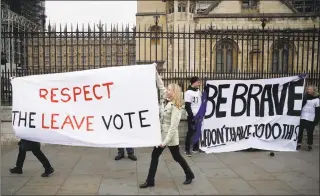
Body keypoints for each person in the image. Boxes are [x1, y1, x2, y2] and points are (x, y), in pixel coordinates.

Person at [139, 69, 195, 188]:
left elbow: (173, 127)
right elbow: (160, 86)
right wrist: (154, 71)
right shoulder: (167, 99)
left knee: (176, 157)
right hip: (161, 135)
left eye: (169, 89)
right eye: (168, 89)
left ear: (174, 93)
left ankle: (189, 174)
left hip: (169, 138)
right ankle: (150, 180)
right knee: (155, 155)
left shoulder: (176, 106)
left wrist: (164, 143)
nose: (167, 90)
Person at [297, 85, 320, 151]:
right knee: (300, 131)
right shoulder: (304, 97)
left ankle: (309, 144)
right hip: (302, 117)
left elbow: (318, 111)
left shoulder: (317, 100)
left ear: (314, 90)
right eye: (308, 89)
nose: (308, 90)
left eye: (310, 89)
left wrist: (316, 120)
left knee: (310, 132)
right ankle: (299, 144)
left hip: (311, 118)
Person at [184, 76, 202, 157]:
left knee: (197, 131)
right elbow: (187, 106)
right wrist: (191, 117)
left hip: (198, 115)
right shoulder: (188, 92)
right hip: (192, 115)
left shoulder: (198, 91)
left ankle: (195, 148)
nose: (199, 83)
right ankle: (187, 149)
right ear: (194, 82)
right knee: (190, 132)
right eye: (198, 82)